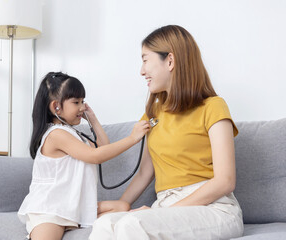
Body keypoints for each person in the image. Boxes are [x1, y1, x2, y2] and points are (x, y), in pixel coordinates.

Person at [89, 25, 244, 240]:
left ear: (170, 61)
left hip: (213, 208)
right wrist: (123, 204)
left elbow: (225, 181)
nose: (141, 71)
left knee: (133, 226)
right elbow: (145, 173)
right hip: (166, 205)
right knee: (105, 224)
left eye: (145, 60)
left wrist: (161, 213)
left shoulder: (213, 107)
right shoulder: (152, 113)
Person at [17, 72, 150, 240]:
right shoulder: (56, 134)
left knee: (122, 206)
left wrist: (92, 119)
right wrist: (132, 138)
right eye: (76, 102)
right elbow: (95, 156)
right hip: (50, 210)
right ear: (56, 107)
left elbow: (103, 147)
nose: (81, 107)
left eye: (83, 101)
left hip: (73, 207)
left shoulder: (72, 133)